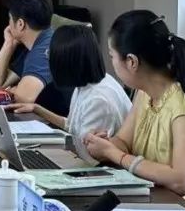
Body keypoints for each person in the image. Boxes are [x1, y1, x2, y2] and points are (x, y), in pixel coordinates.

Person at [83, 10, 185, 211]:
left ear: (132, 62)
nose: (112, 63)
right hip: (160, 201)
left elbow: (182, 181)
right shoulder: (145, 93)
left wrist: (115, 155)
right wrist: (104, 145)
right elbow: (124, 141)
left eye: (112, 56)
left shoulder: (184, 108)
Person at [10, 24, 131, 163]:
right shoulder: (87, 83)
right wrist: (37, 109)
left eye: (50, 54)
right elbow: (72, 127)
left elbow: (88, 157)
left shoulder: (98, 100)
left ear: (67, 61)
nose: (48, 58)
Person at [0, 0, 55, 104]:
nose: (8, 24)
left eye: (10, 18)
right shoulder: (34, 44)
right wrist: (9, 44)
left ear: (20, 24)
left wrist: (15, 91)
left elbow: (24, 97)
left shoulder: (45, 49)